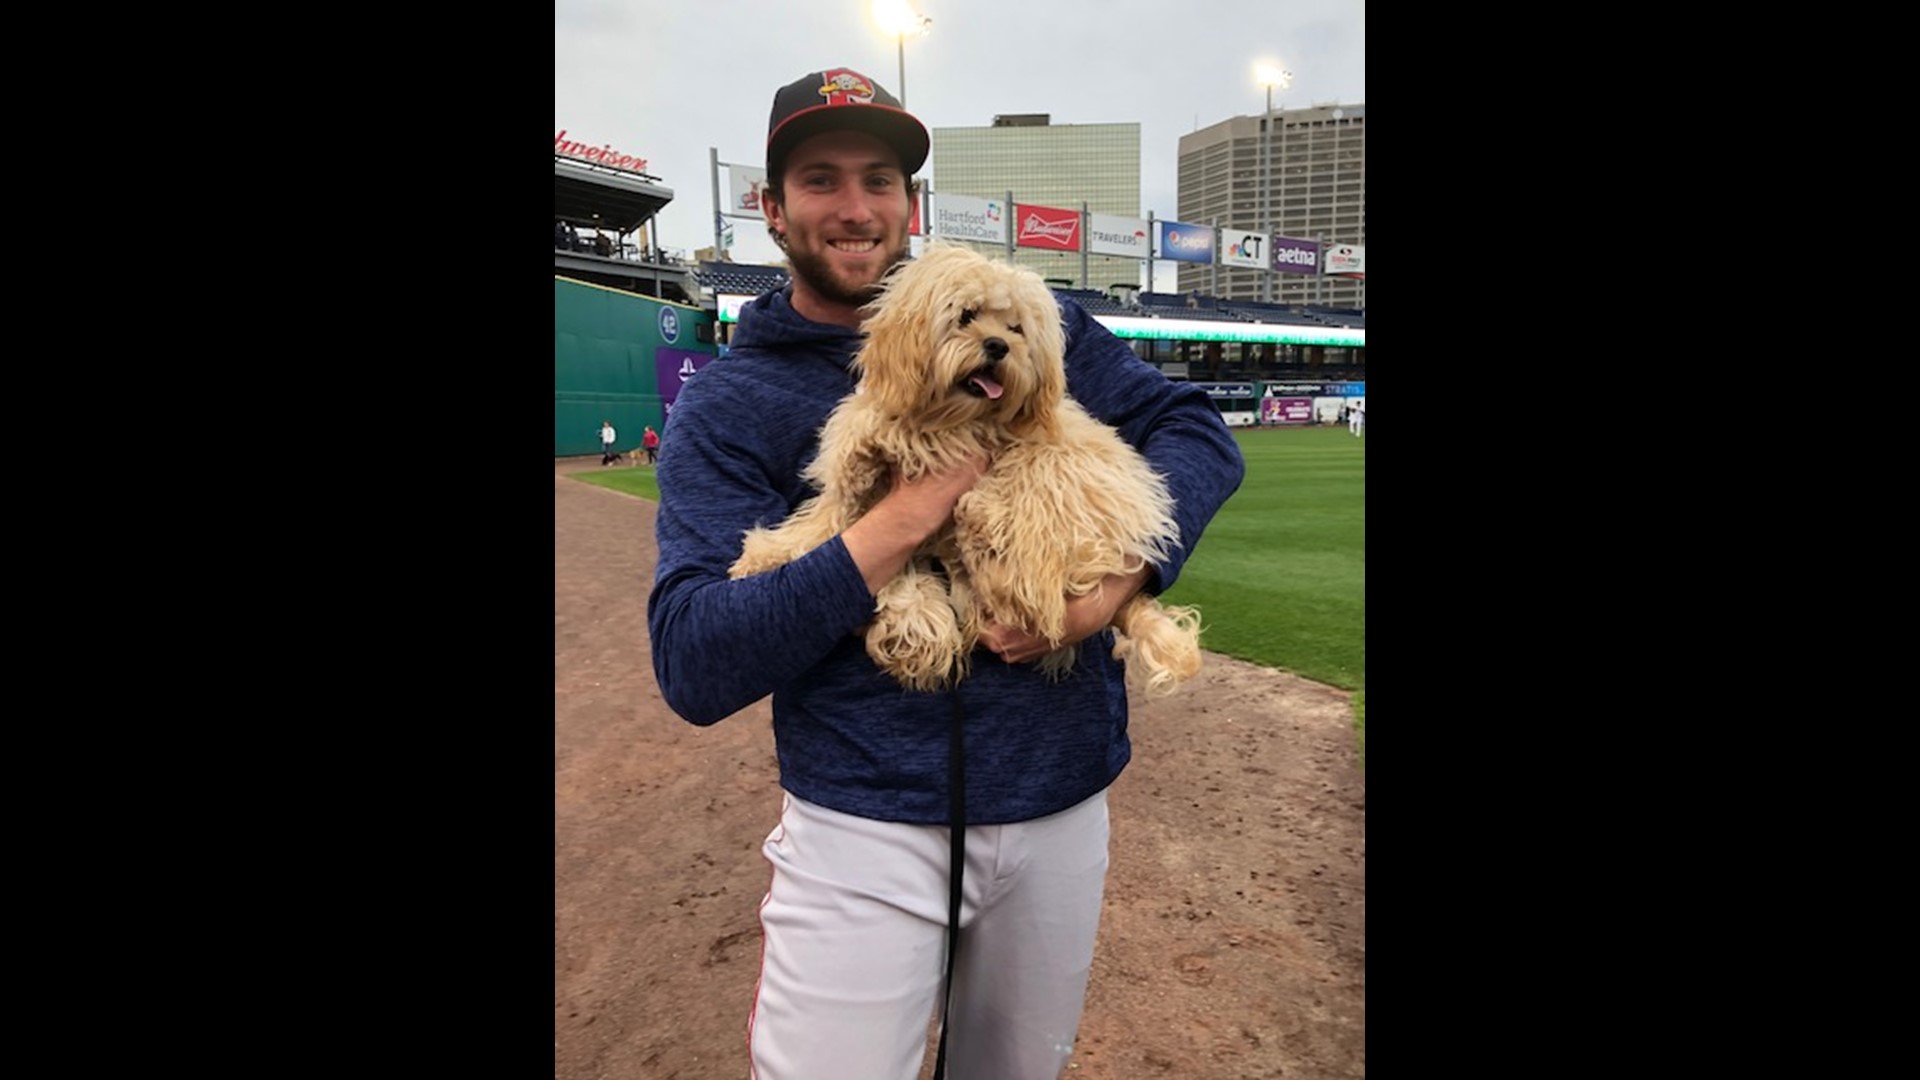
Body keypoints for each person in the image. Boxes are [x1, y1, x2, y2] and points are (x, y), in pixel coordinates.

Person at [647, 66, 1245, 1080]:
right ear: (773, 207)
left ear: (909, 202)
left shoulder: (1026, 321)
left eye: (879, 180)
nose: (854, 209)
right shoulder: (731, 402)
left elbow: (1194, 432)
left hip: (1057, 803)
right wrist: (903, 519)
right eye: (821, 180)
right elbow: (696, 661)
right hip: (862, 827)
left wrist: (1118, 585)